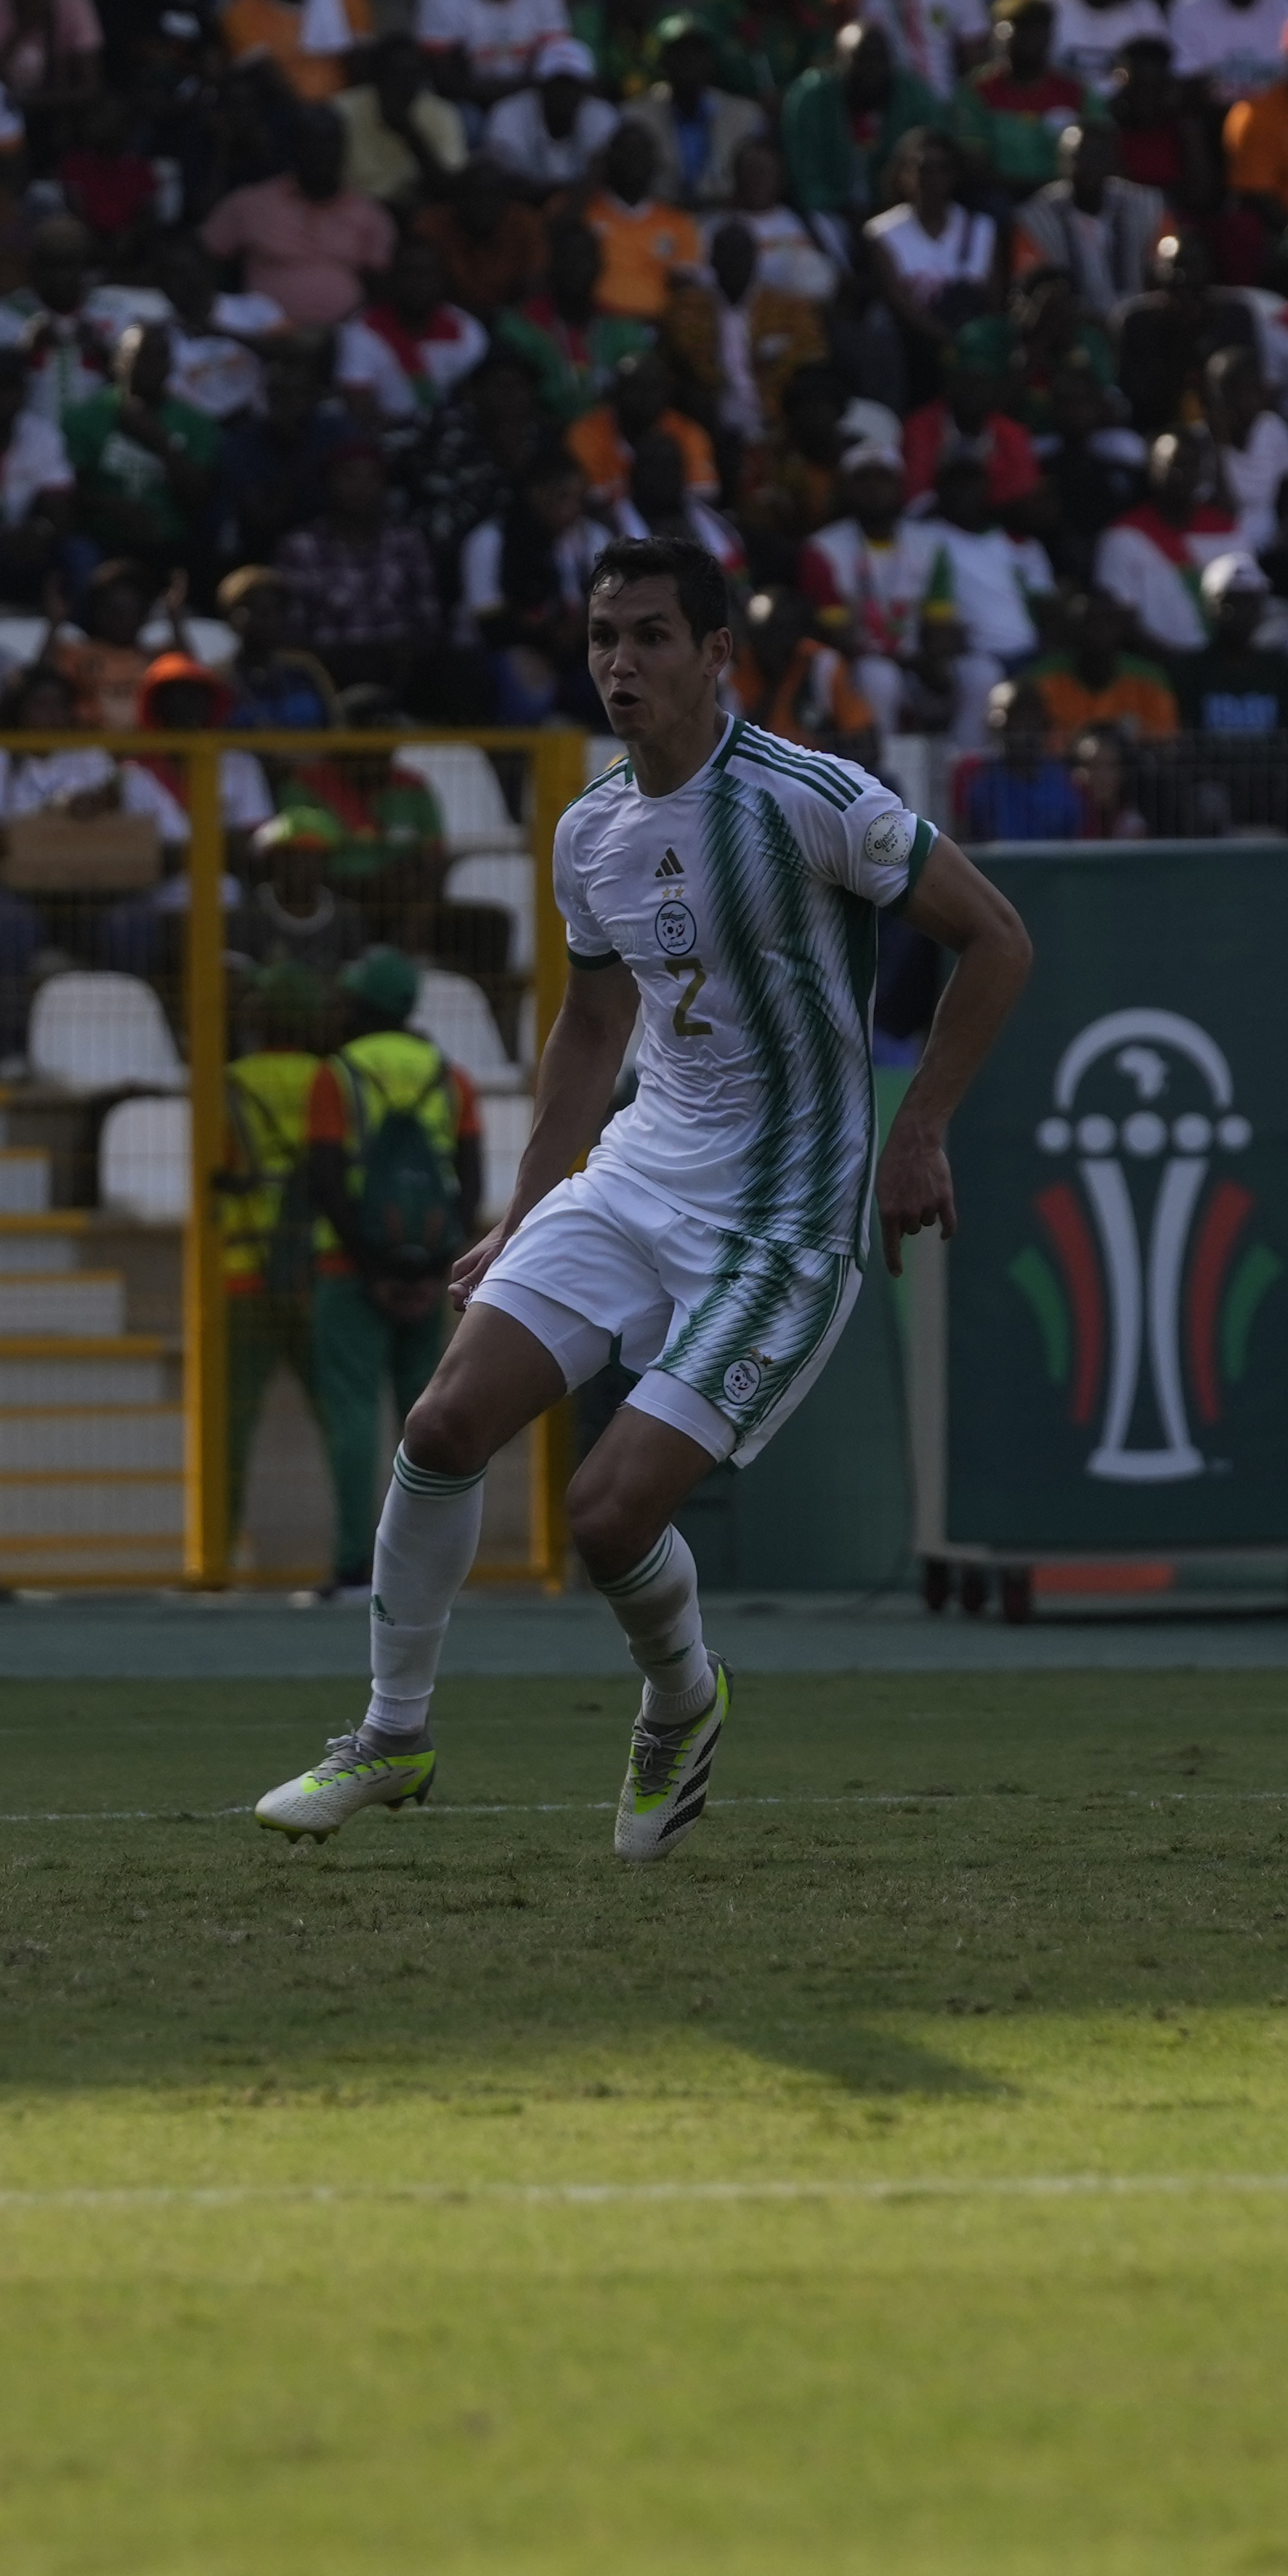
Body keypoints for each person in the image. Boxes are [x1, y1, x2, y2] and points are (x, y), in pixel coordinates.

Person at [251, 538, 1034, 1860]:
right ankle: (391, 1736)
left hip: (782, 1215)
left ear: (719, 655)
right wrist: (523, 1206)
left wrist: (921, 1133)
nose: (621, 661)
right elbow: (588, 1028)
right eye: (606, 636)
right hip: (631, 1176)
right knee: (443, 1425)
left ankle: (682, 1698)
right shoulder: (588, 829)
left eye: (654, 635)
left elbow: (998, 939)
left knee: (609, 1518)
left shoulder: (812, 799)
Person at [296, 948, 482, 1600]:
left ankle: (355, 1567)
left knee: (352, 1417)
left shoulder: (336, 1075)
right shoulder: (450, 1077)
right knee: (427, 1420)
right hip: (429, 1275)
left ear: (363, 1006)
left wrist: (373, 1268)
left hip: (349, 1272)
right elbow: (469, 1182)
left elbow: (324, 1177)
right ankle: (430, 1573)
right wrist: (428, 1272)